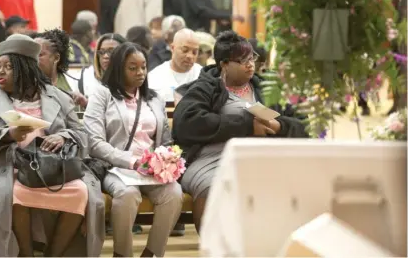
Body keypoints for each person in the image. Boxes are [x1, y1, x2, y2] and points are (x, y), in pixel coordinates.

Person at [0, 33, 104, 257]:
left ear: (25, 69)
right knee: (15, 192)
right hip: (7, 164)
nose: (0, 72)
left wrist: (64, 137)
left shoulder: (57, 96)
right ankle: (27, 254)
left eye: (8, 67)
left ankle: (54, 253)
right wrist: (9, 134)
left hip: (53, 165)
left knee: (81, 192)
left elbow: (81, 132)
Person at [172, 31, 308, 234]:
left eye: (251, 58)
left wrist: (279, 126)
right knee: (214, 186)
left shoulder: (265, 88)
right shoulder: (205, 87)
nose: (250, 64)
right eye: (242, 60)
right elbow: (187, 123)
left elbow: (304, 125)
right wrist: (246, 125)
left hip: (257, 158)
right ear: (224, 64)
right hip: (210, 158)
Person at [84, 42, 183, 257]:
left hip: (149, 169)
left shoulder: (153, 98)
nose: (140, 73)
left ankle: (151, 253)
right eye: (133, 68)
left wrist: (166, 159)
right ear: (119, 68)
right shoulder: (102, 94)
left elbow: (165, 140)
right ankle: (122, 254)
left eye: (143, 67)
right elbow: (94, 142)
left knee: (174, 193)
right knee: (128, 194)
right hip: (115, 167)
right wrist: (131, 162)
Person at [34, 28, 88, 108]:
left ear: (56, 58)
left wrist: (85, 104)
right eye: (32, 54)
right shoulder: (26, 84)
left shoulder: (77, 83)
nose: (34, 58)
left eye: (40, 55)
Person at [148, 28, 202, 101]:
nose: (190, 56)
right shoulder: (155, 77)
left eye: (194, 52)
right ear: (172, 48)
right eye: (185, 50)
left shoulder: (203, 76)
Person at [80, 33, 126, 98]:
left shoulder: (134, 78)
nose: (105, 56)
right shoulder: (86, 77)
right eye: (101, 52)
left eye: (111, 51)